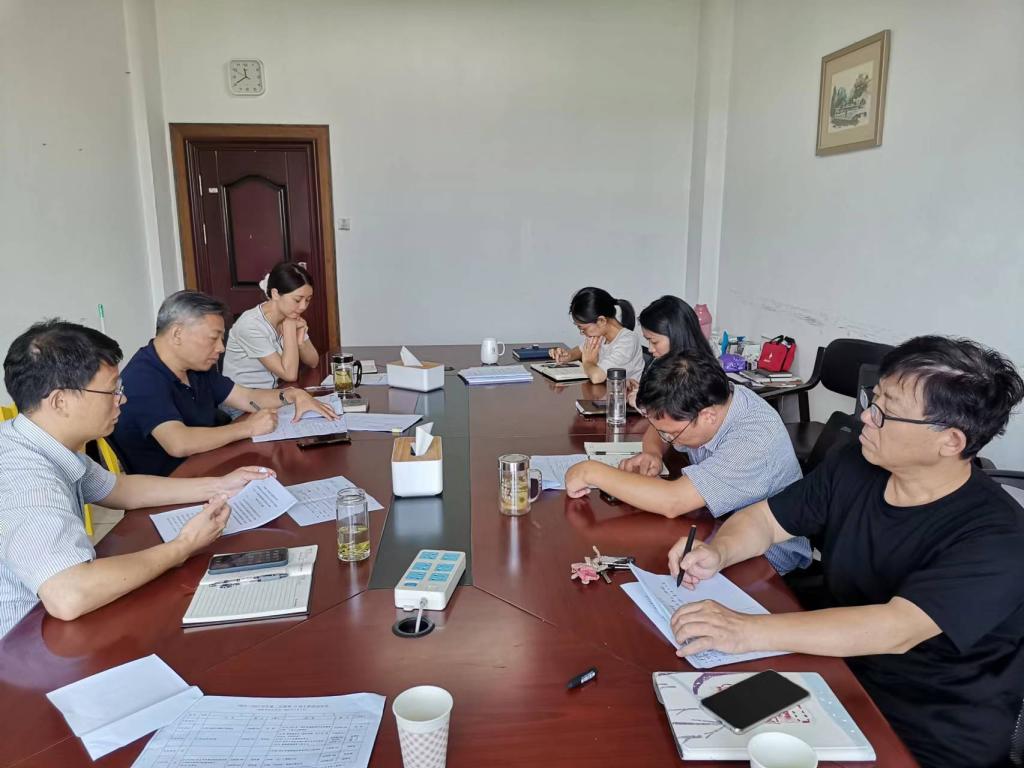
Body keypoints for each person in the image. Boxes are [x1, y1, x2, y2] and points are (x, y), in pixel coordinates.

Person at [667, 336, 1024, 768]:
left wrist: (745, 631)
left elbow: (896, 628)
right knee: (690, 724)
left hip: (923, 725)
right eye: (873, 400)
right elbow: (766, 519)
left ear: (949, 441)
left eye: (885, 412)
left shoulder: (997, 535)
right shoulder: (858, 463)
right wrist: (719, 551)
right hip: (835, 669)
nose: (866, 418)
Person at [0, 320, 274, 638]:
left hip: (48, 627)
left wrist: (222, 484)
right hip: (20, 645)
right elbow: (68, 594)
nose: (122, 400)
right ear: (61, 401)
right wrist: (183, 546)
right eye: (112, 391)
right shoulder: (23, 477)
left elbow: (121, 489)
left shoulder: (39, 440)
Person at [565, 350, 811, 574]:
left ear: (707, 416)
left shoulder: (752, 441)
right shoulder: (711, 399)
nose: (668, 438)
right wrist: (653, 452)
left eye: (672, 435)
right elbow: (661, 424)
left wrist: (591, 471)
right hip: (712, 523)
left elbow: (673, 501)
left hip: (764, 558)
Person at [113, 290, 336, 476]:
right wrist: (248, 427)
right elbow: (179, 443)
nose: (221, 348)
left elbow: (247, 397)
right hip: (175, 484)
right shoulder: (142, 378)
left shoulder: (195, 367)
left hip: (210, 463)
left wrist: (293, 395)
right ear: (177, 334)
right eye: (213, 338)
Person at [223, 262, 320, 391]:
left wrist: (300, 340)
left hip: (273, 392)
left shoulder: (291, 314)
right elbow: (289, 375)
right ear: (275, 294)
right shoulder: (251, 325)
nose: (303, 306)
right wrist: (290, 330)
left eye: (307, 300)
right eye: (297, 300)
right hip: (243, 399)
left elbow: (313, 362)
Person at [626, 294, 718, 406]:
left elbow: (676, 412)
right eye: (648, 341)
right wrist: (643, 392)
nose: (650, 349)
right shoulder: (662, 363)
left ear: (677, 336)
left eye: (654, 342)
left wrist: (641, 404)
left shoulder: (692, 374)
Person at [548, 287, 644, 383]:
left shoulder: (628, 341)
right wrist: (568, 355)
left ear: (601, 321)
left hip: (622, 392)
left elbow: (597, 377)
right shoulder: (601, 335)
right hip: (604, 390)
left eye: (583, 328)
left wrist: (588, 362)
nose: (581, 333)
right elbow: (582, 350)